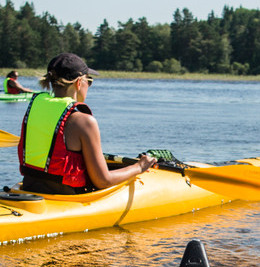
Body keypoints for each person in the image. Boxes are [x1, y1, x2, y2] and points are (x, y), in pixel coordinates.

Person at [17, 52, 158, 195]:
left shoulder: (36, 108)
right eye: (89, 81)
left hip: (29, 188)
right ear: (79, 83)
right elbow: (103, 180)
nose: (89, 85)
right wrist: (139, 167)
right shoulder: (84, 121)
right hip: (65, 196)